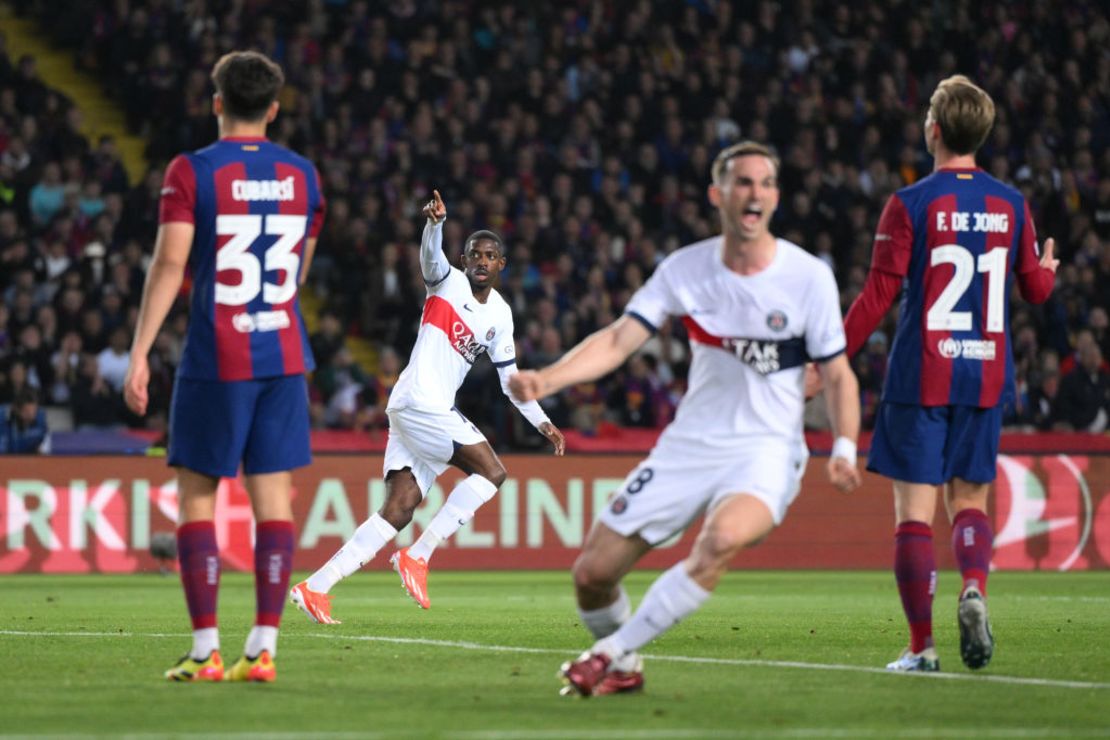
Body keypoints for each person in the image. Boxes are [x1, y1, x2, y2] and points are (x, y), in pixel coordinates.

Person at [509, 141, 861, 697]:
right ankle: (623, 671)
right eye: (743, 182)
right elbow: (620, 339)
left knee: (721, 539)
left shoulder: (808, 276)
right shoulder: (685, 269)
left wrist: (843, 446)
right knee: (592, 576)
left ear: (775, 197)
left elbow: (837, 374)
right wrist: (547, 380)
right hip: (690, 445)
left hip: (767, 449)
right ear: (717, 195)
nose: (755, 193)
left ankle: (609, 653)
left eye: (766, 183)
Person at [842, 76, 1058, 672]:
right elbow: (1036, 291)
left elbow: (876, 298)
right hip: (985, 373)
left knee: (914, 514)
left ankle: (922, 648)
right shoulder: (1011, 203)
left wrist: (830, 360)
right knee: (970, 502)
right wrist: (1047, 268)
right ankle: (974, 589)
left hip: (923, 374)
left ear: (932, 129)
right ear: (981, 134)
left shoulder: (910, 203)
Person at [123, 51, 326, 683]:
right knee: (274, 503)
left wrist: (139, 352)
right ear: (272, 107)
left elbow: (168, 265)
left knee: (196, 498)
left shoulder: (193, 171)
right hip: (283, 352)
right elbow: (298, 270)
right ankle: (263, 646)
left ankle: (206, 648)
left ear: (216, 102)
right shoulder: (303, 175)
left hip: (218, 354)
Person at [290, 189, 565, 621]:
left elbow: (509, 380)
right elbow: (430, 259)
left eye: (490, 255)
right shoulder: (446, 280)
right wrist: (433, 225)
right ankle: (418, 556)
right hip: (421, 402)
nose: (480, 260)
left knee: (399, 508)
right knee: (492, 472)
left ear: (500, 265)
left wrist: (542, 422)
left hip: (414, 410)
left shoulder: (501, 316)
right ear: (464, 257)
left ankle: (315, 586)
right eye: (474, 253)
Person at [0, 387, 49, 453]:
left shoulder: (40, 417)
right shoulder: (2, 417)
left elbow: (44, 444)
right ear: (16, 409)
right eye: (27, 412)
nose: (31, 416)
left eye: (34, 411)